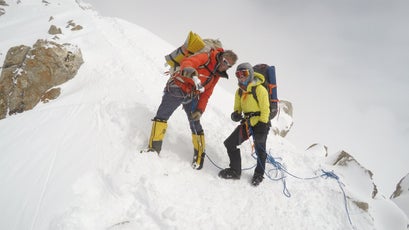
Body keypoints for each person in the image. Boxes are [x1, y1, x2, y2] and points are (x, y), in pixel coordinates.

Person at [146, 48, 238, 170]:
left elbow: (206, 93)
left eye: (229, 65)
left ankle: (199, 159)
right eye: (225, 61)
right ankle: (153, 149)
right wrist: (189, 69)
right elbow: (189, 61)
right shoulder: (207, 57)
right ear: (221, 57)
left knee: (195, 123)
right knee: (162, 116)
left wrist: (200, 110)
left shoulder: (216, 75)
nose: (225, 66)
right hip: (177, 87)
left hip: (192, 94)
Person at [218, 62, 270, 186]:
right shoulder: (239, 92)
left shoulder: (260, 89)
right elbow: (237, 108)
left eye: (244, 73)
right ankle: (235, 171)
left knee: (260, 150)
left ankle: (259, 175)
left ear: (250, 73)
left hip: (261, 123)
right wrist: (235, 114)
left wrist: (262, 125)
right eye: (238, 74)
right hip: (248, 124)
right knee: (230, 143)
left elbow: (265, 109)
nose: (241, 76)